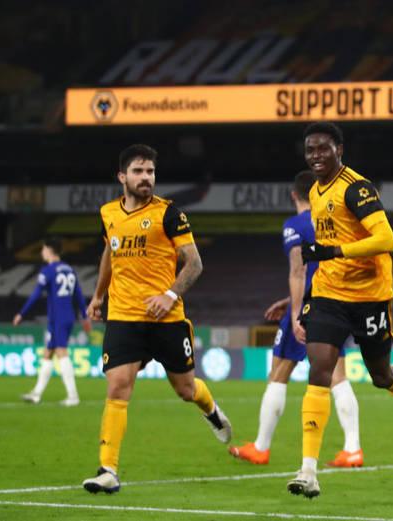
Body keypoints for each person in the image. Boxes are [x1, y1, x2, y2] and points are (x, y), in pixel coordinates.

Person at [287, 122, 393, 498]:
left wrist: (335, 251)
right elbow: (326, 248)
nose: (316, 156)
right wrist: (309, 296)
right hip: (329, 295)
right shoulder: (316, 191)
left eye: (323, 148)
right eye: (310, 150)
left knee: (381, 375)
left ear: (339, 150)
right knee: (319, 370)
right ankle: (308, 470)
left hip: (370, 296)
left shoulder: (356, 188)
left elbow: (387, 239)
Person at [82, 144, 232, 494]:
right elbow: (109, 253)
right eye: (138, 171)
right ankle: (108, 470)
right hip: (124, 316)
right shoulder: (108, 213)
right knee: (118, 387)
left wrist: (170, 295)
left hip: (166, 319)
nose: (146, 177)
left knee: (185, 390)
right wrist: (98, 295)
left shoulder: (169, 214)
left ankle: (211, 410)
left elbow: (194, 263)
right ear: (122, 176)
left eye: (150, 171)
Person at [229, 170, 362, 467]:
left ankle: (260, 447)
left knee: (278, 373)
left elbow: (299, 270)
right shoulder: (332, 222)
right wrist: (291, 300)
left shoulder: (296, 225)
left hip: (308, 309)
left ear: (294, 195)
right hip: (334, 304)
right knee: (337, 376)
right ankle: (353, 448)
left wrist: (295, 312)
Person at [14, 237, 91, 406]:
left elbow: (36, 294)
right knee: (48, 353)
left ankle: (73, 396)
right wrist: (85, 316)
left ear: (49, 250)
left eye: (43, 249)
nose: (42, 252)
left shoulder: (48, 271)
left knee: (61, 351)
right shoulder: (69, 269)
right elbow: (78, 294)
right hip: (67, 316)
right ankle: (36, 394)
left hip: (58, 318)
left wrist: (21, 313)